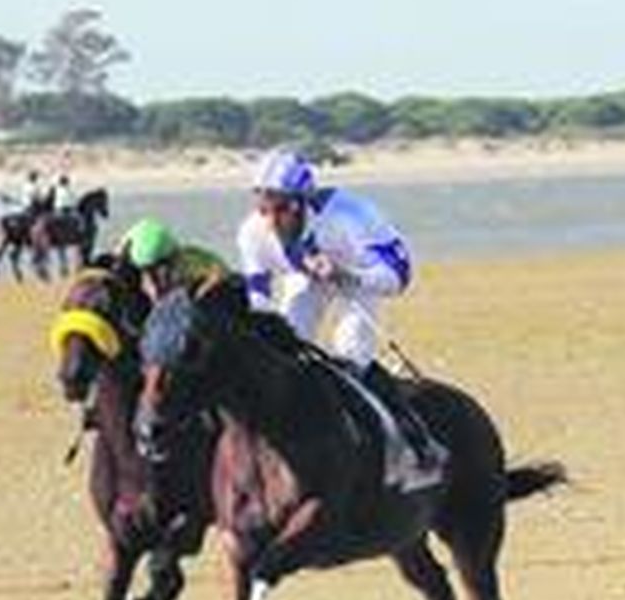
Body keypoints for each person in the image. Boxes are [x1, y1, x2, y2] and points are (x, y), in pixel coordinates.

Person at [234, 147, 442, 477]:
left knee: (351, 351)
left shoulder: (350, 219)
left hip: (362, 276)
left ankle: (414, 439)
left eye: (282, 208)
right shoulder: (252, 232)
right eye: (264, 207)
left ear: (303, 202)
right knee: (284, 347)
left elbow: (398, 278)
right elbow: (258, 298)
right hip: (303, 278)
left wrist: (345, 275)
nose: (272, 220)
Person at [119, 217, 237, 305]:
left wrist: (201, 293)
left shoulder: (189, 263)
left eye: (158, 271)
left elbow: (221, 273)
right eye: (148, 272)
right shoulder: (129, 262)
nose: (153, 280)